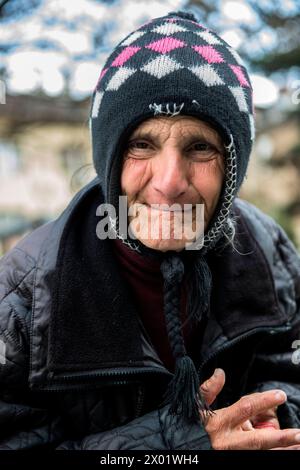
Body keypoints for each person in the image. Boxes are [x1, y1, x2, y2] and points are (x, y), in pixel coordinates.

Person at [0, 10, 300, 451]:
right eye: (142, 145)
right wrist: (179, 447)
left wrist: (278, 416)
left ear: (233, 169)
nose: (169, 183)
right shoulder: (24, 299)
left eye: (200, 147)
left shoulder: (268, 250)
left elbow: (289, 372)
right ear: (109, 160)